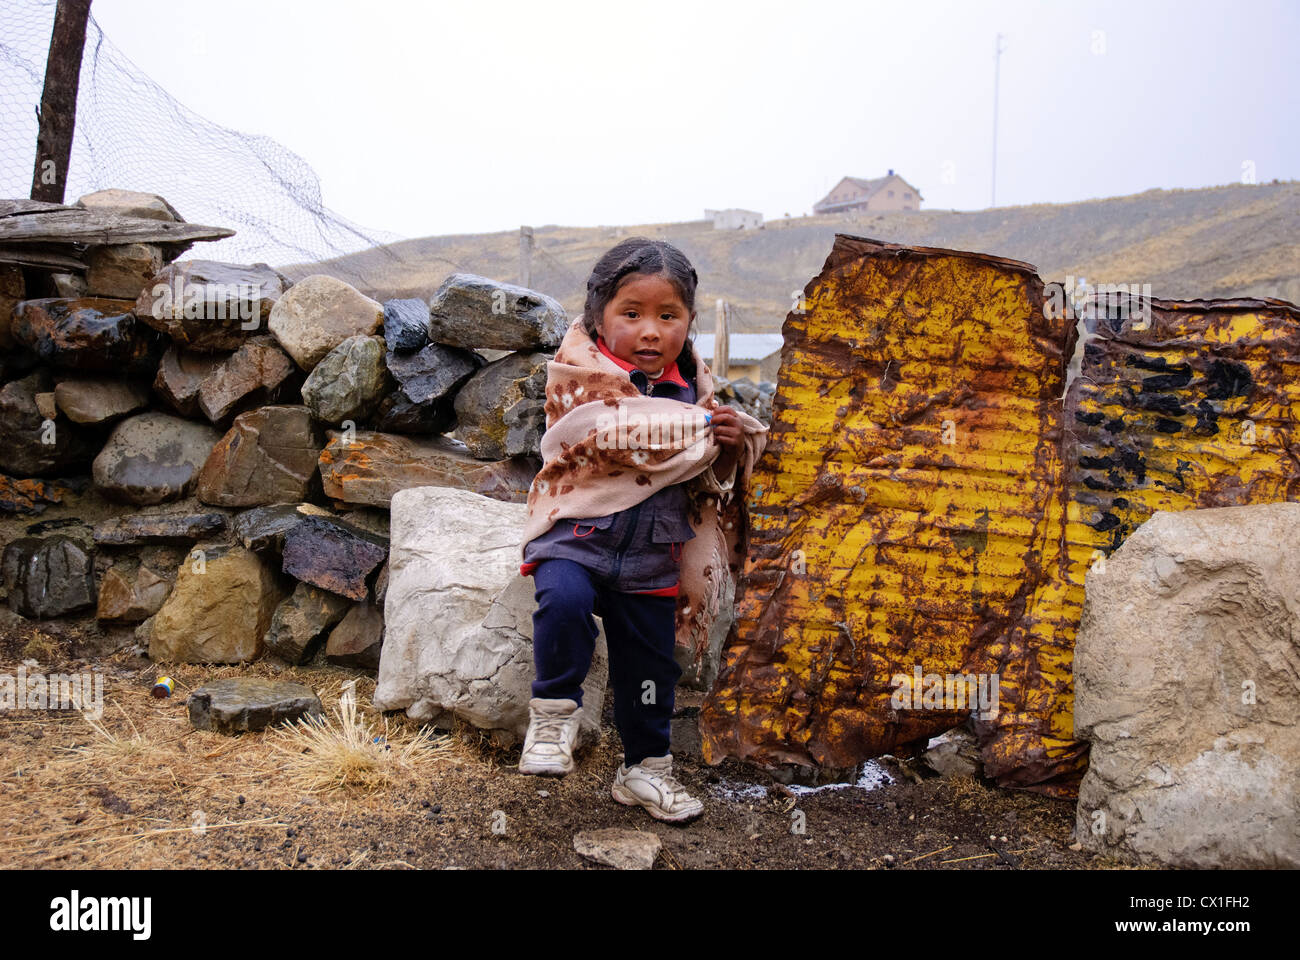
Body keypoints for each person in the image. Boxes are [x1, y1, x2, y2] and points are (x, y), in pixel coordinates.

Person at [515, 237, 763, 823]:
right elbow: (586, 440)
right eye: (632, 314)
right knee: (564, 601)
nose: (650, 331)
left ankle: (645, 770)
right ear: (599, 317)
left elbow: (705, 477)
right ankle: (552, 720)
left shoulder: (694, 394)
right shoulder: (576, 377)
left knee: (650, 666)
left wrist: (724, 448)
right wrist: (686, 432)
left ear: (689, 322)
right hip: (576, 532)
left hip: (654, 550)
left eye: (667, 316)